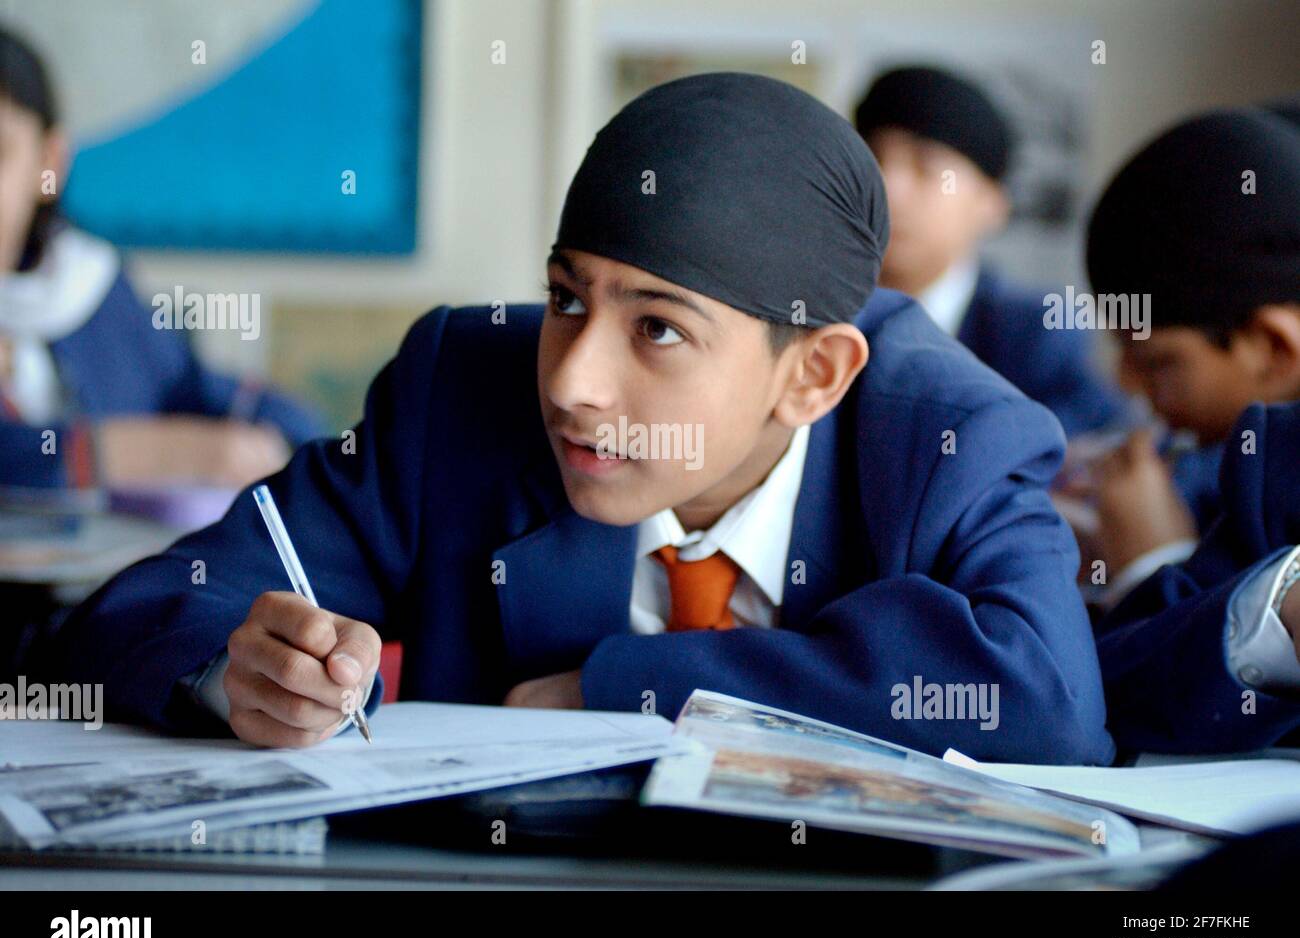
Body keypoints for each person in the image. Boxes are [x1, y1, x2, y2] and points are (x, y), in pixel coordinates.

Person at [46, 73, 1112, 764]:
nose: (570, 381)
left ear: (813, 376)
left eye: (657, 328)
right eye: (567, 298)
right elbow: (143, 606)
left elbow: (1047, 702)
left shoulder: (945, 432)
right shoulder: (460, 383)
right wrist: (228, 670)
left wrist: (622, 687)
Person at [0, 26, 324, 490]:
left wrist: (289, 436)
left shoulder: (88, 287)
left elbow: (197, 389)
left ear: (49, 160)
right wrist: (173, 452)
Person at [1083, 107, 1300, 753]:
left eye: (1158, 361)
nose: (1126, 384)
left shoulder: (1271, 468)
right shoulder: (1216, 465)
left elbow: (1104, 696)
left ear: (1271, 346)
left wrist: (1153, 566)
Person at [853, 65, 1124, 438]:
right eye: (872, 162)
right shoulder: (812, 313)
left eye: (925, 168)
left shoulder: (1036, 335)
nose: (888, 189)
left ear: (992, 203)